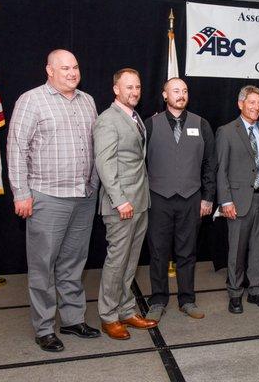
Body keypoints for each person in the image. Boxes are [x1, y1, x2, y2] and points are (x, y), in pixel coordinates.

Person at [7, 49, 100, 352]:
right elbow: (16, 149)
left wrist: (95, 187)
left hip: (83, 197)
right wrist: (21, 194)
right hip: (47, 197)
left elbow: (95, 148)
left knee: (74, 264)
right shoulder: (31, 100)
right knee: (43, 267)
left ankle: (73, 320)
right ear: (49, 70)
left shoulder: (88, 102)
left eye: (75, 67)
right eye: (64, 68)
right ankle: (44, 327)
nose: (72, 73)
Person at [145, 77, 216, 320]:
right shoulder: (150, 124)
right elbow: (140, 164)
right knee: (158, 252)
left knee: (187, 252)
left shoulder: (201, 124)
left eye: (184, 91)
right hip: (158, 199)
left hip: (190, 199)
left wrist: (207, 198)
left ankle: (187, 299)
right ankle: (157, 300)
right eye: (175, 90)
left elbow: (209, 165)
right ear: (165, 95)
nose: (181, 94)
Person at [94, 68, 157, 339]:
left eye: (138, 87)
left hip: (140, 202)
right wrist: (120, 201)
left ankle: (126, 309)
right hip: (121, 205)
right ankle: (108, 316)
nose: (134, 92)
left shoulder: (134, 117)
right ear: (116, 89)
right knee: (116, 262)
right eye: (128, 87)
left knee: (130, 262)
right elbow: (104, 164)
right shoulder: (108, 120)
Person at [216, 85, 259, 314]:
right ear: (240, 104)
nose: (256, 107)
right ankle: (235, 294)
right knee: (236, 251)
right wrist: (225, 201)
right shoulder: (226, 132)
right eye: (251, 102)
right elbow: (221, 170)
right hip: (237, 201)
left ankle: (255, 291)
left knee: (258, 249)